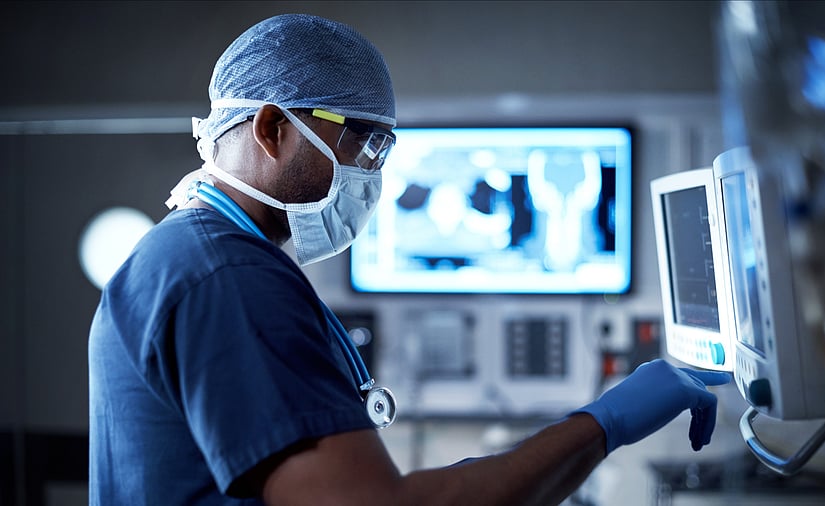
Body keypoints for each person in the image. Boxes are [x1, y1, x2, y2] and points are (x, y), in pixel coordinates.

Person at [87, 13, 732, 506]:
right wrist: (605, 424)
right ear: (273, 129)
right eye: (364, 144)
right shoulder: (229, 277)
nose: (373, 175)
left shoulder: (184, 256)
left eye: (385, 151)